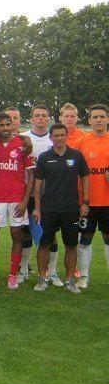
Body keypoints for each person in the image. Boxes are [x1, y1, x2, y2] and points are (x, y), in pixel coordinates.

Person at [33, 123, 90, 293]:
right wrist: (37, 208)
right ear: (51, 138)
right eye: (55, 136)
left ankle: (71, 280)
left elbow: (85, 178)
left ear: (67, 136)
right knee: (44, 244)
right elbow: (37, 185)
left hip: (70, 209)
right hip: (48, 209)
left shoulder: (76, 155)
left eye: (62, 135)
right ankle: (42, 279)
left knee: (71, 245)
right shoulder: (44, 157)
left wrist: (85, 202)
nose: (59, 138)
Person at [0, 113, 34, 289]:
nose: (5, 128)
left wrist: (25, 201)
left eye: (8, 124)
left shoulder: (23, 145)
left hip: (17, 198)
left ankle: (12, 276)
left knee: (16, 234)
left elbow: (31, 175)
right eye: (1, 125)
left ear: (13, 125)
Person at [19, 105, 57, 284]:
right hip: (26, 193)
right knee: (24, 233)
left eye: (44, 116)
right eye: (37, 116)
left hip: (49, 195)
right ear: (31, 118)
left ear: (48, 119)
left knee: (51, 234)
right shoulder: (24, 138)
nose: (40, 118)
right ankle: (24, 270)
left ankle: (52, 272)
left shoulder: (54, 140)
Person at [74, 104, 109, 288]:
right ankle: (84, 276)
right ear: (89, 121)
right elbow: (73, 171)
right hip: (86, 202)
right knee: (85, 239)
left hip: (108, 202)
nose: (98, 120)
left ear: (107, 119)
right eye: (95, 117)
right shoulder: (82, 142)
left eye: (102, 116)